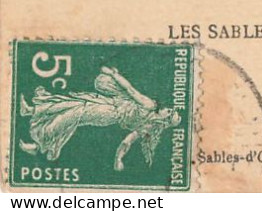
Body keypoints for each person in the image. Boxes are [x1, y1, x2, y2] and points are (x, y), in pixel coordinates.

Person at [20, 64, 181, 169]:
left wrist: (113, 74)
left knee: (74, 112)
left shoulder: (150, 107)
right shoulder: (149, 123)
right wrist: (119, 160)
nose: (169, 109)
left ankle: (39, 145)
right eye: (172, 110)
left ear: (165, 120)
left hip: (109, 112)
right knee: (73, 103)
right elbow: (127, 141)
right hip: (109, 104)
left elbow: (131, 91)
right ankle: (31, 111)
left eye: (170, 113)